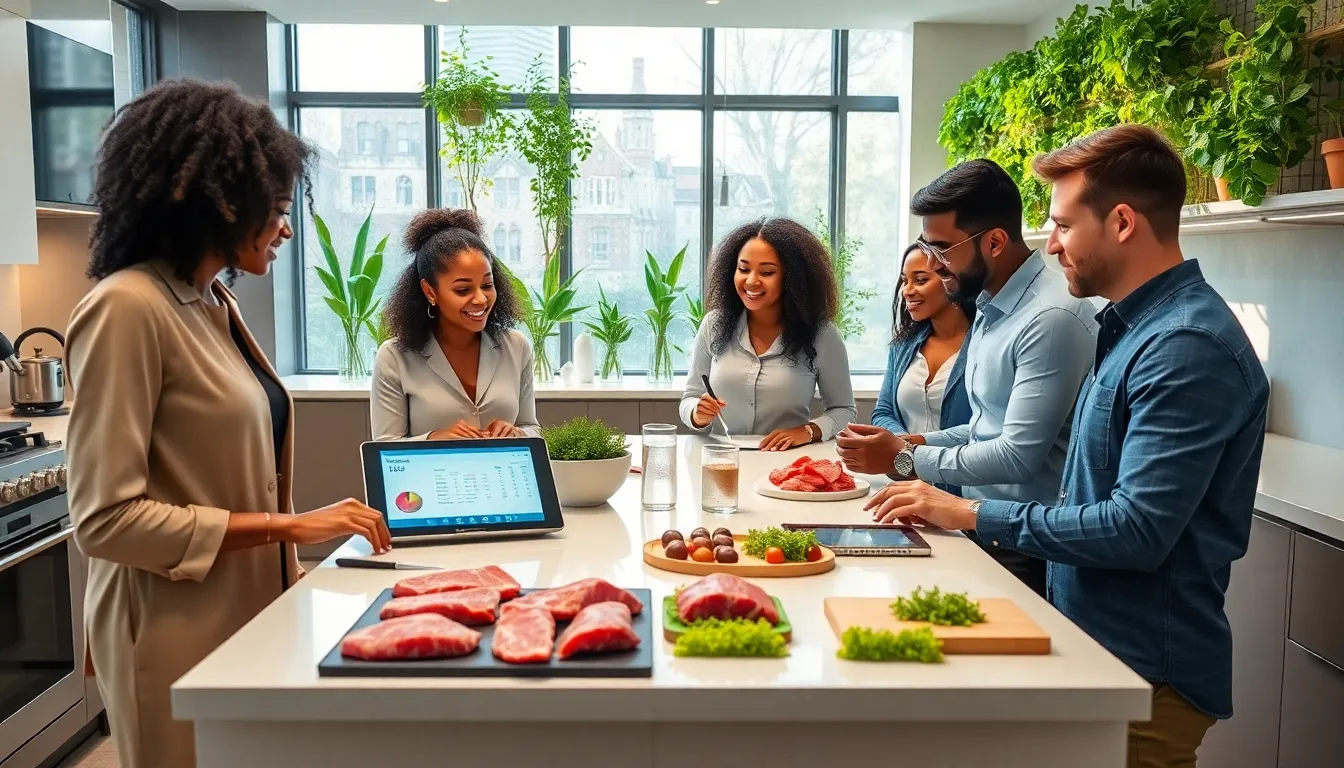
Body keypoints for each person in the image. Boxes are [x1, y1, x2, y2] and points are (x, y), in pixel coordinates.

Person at [865, 124, 1268, 767]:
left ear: (1124, 223)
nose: (1048, 245)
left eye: (1062, 225)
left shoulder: (1186, 346)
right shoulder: (1131, 328)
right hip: (1095, 647)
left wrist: (968, 512)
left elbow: (1136, 530)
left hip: (1144, 674)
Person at [65, 79, 392, 768]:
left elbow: (242, 465)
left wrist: (289, 571)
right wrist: (292, 528)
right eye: (275, 208)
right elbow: (105, 520)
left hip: (245, 615)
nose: (287, 226)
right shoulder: (127, 308)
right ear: (222, 200)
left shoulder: (211, 302)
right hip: (171, 631)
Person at [839, 159, 1097, 598]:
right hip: (973, 524)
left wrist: (902, 459)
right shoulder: (989, 307)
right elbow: (982, 428)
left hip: (1021, 546)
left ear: (995, 242)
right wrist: (915, 444)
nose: (936, 265)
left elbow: (1016, 457)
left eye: (942, 250)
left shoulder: (1050, 316)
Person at [680, 217, 856, 451]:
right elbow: (690, 398)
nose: (751, 280)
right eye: (743, 269)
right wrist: (697, 414)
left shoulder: (822, 335)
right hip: (720, 460)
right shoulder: (713, 324)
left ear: (792, 279)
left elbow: (845, 411)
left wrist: (808, 431)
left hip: (787, 465)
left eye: (767, 272)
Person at [370, 208, 539, 441]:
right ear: (430, 291)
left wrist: (518, 432)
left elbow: (532, 426)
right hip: (430, 477)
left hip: (502, 476)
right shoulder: (394, 357)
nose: (481, 299)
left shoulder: (516, 346)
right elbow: (385, 446)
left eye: (487, 285)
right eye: (463, 290)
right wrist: (433, 439)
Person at [861, 244, 975, 494]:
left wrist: (912, 447)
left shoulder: (983, 344)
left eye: (920, 280)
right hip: (905, 485)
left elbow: (985, 428)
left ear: (951, 279)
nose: (907, 291)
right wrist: (903, 448)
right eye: (904, 281)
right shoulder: (903, 346)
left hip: (964, 490)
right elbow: (883, 411)